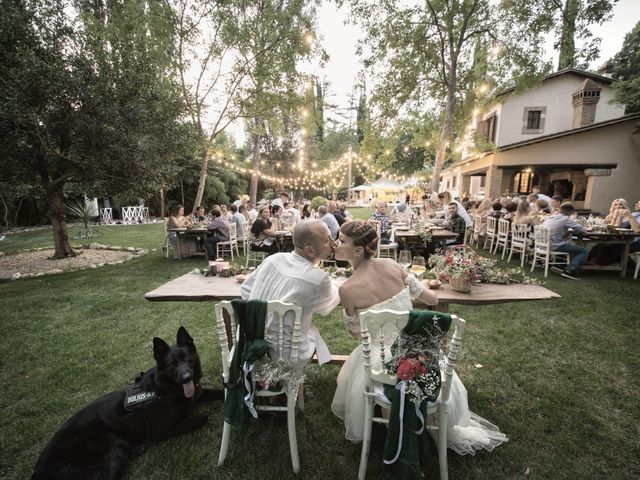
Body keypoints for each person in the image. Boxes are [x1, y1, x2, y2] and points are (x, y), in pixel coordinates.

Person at [331, 220, 507, 454]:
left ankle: (391, 424)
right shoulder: (393, 266)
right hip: (418, 350)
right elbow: (432, 300)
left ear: (358, 251)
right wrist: (412, 289)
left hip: (379, 356)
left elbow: (355, 333)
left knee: (365, 366)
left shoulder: (347, 289)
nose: (335, 243)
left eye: (341, 240)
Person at [240, 221, 340, 364]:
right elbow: (331, 301)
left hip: (251, 342)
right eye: (326, 240)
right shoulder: (318, 280)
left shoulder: (273, 259)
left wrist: (263, 316)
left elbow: (245, 289)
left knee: (306, 328)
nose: (333, 243)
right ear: (310, 251)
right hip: (287, 354)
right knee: (312, 331)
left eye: (331, 237)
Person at [544, 202, 588, 280]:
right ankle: (569, 270)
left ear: (560, 210)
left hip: (544, 244)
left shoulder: (551, 217)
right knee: (583, 251)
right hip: (555, 245)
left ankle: (560, 265)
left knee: (569, 244)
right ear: (571, 212)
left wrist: (567, 231)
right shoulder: (565, 219)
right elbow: (583, 230)